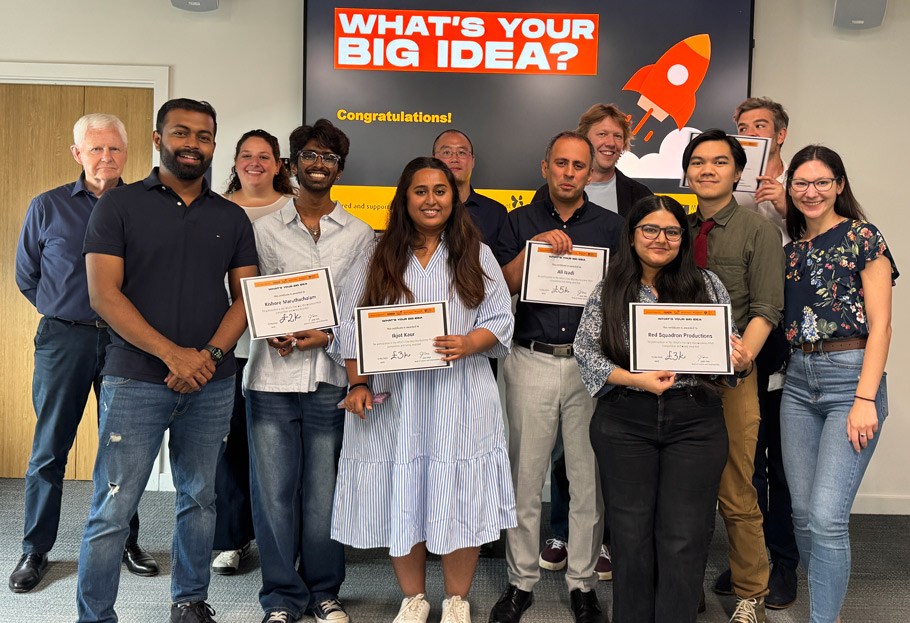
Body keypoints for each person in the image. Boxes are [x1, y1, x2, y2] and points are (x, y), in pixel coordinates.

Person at [76, 98, 259, 623]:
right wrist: (173, 355)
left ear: (213, 146)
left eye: (204, 136)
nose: (193, 144)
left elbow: (245, 297)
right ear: (158, 139)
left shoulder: (231, 215)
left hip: (212, 382)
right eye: (182, 133)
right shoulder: (118, 206)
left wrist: (209, 356)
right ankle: (96, 615)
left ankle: (190, 601)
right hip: (134, 380)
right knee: (113, 506)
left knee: (200, 501)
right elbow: (103, 295)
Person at [330, 156, 515, 623]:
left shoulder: (476, 252)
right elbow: (351, 323)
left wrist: (469, 341)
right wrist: (356, 382)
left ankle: (456, 599)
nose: (431, 200)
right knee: (404, 490)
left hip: (462, 395)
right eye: (420, 190)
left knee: (462, 493)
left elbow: (499, 318)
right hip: (399, 401)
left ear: (454, 198)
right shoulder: (377, 253)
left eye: (440, 190)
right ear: (404, 197)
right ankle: (413, 597)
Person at [576, 194, 748, 622]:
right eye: (649, 229)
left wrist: (739, 360)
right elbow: (586, 352)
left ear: (682, 238)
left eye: (672, 231)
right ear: (632, 236)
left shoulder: (707, 286)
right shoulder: (610, 287)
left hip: (695, 421)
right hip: (624, 420)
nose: (661, 238)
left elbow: (728, 362)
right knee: (631, 538)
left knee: (685, 537)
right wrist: (638, 379)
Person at [12, 113, 157, 594]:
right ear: (78, 154)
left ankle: (124, 542)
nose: (106, 158)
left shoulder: (143, 206)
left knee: (124, 447)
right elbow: (27, 276)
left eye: (114, 148)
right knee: (50, 448)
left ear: (127, 153)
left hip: (125, 341)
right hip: (64, 339)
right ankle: (35, 549)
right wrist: (63, 312)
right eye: (95, 149)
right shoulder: (47, 207)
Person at [491, 131, 623, 623]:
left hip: (590, 364)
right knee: (525, 477)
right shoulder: (517, 221)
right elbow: (495, 285)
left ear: (591, 172)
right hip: (531, 359)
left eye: (578, 166)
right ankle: (520, 582)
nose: (569, 173)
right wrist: (531, 253)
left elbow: (623, 295)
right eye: (561, 164)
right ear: (545, 166)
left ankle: (583, 584)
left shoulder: (611, 226)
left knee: (588, 481)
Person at [245, 119, 374, 623]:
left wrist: (328, 335)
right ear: (292, 164)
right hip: (271, 378)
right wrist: (264, 324)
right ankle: (280, 597)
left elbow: (363, 303)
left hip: (329, 378)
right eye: (310, 155)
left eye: (329, 158)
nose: (319, 165)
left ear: (339, 168)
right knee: (274, 493)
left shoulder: (361, 234)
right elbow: (245, 292)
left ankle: (323, 591)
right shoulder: (261, 229)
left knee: (324, 494)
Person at [536, 103, 654, 581]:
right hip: (557, 336)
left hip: (613, 340)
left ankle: (603, 540)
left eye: (616, 136)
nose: (608, 142)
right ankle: (562, 531)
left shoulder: (637, 195)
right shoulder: (546, 201)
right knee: (565, 451)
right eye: (599, 134)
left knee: (602, 446)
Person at [780, 145, 897, 623]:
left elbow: (882, 325)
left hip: (851, 379)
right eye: (802, 183)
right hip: (796, 384)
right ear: (789, 189)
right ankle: (829, 609)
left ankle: (822, 620)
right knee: (803, 518)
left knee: (828, 519)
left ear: (839, 186)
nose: (811, 192)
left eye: (822, 182)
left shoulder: (863, 237)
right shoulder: (790, 250)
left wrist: (865, 398)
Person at [684, 129, 785, 623]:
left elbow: (768, 305)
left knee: (736, 489)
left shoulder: (757, 230)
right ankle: (687, 587)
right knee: (684, 491)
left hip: (732, 378)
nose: (708, 169)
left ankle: (751, 594)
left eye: (720, 162)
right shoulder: (673, 229)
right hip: (677, 379)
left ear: (738, 172)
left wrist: (744, 356)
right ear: (686, 173)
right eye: (698, 162)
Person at [714, 97, 799, 609]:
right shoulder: (730, 188)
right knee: (747, 461)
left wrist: (785, 204)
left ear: (781, 134)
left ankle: (782, 563)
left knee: (779, 460)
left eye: (760, 127)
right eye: (742, 127)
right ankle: (751, 561)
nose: (749, 132)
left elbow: (821, 246)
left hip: (785, 341)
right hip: (739, 343)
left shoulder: (802, 185)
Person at [211, 129, 296, 577]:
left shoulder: (295, 209)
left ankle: (289, 541)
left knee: (283, 451)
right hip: (230, 347)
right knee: (232, 446)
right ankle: (232, 540)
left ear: (279, 164)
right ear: (236, 161)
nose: (256, 163)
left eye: (265, 156)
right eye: (247, 155)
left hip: (286, 349)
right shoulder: (214, 207)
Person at [432, 128, 508, 247]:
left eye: (461, 152)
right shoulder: (424, 209)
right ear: (433, 160)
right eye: (447, 152)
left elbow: (503, 264)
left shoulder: (496, 213)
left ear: (472, 161)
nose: (455, 159)